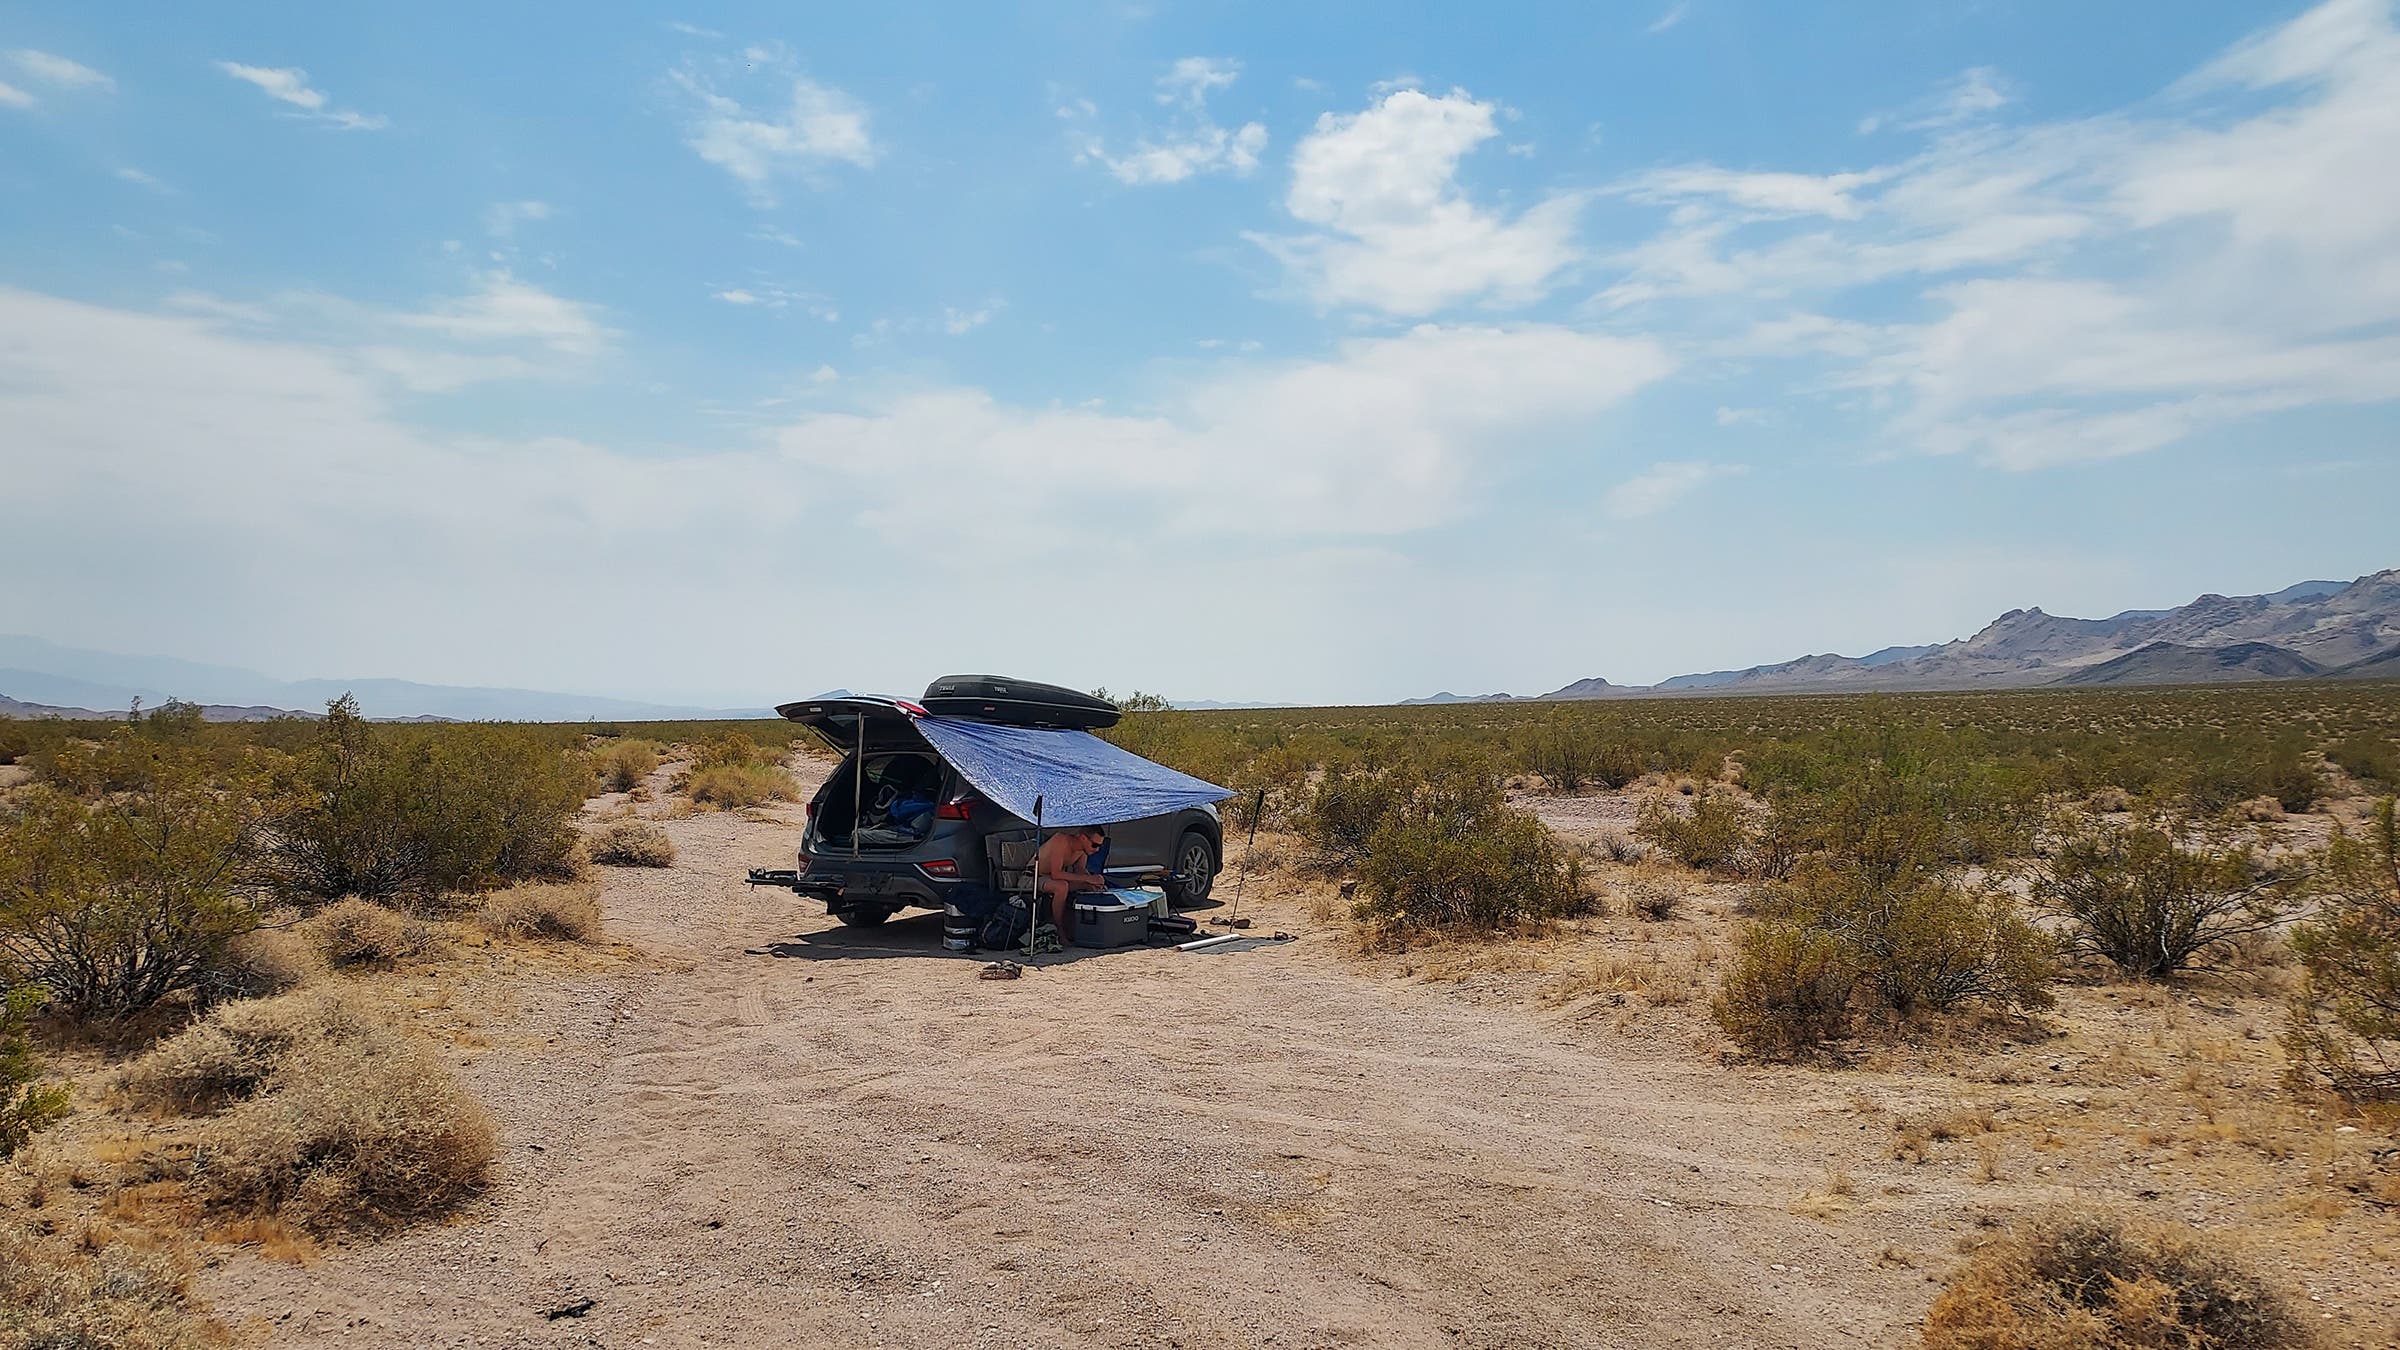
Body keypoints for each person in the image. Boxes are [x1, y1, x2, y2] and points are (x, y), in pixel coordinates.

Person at [1034, 827, 1108, 935]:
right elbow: (1056, 874)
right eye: (1095, 845)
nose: (1097, 850)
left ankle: (1088, 927)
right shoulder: (1061, 841)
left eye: (1100, 846)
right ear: (1083, 838)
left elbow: (1080, 871)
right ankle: (1059, 929)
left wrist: (1095, 882)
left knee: (1090, 886)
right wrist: (1088, 878)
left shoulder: (1083, 850)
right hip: (1033, 877)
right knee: (1061, 886)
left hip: (1054, 879)